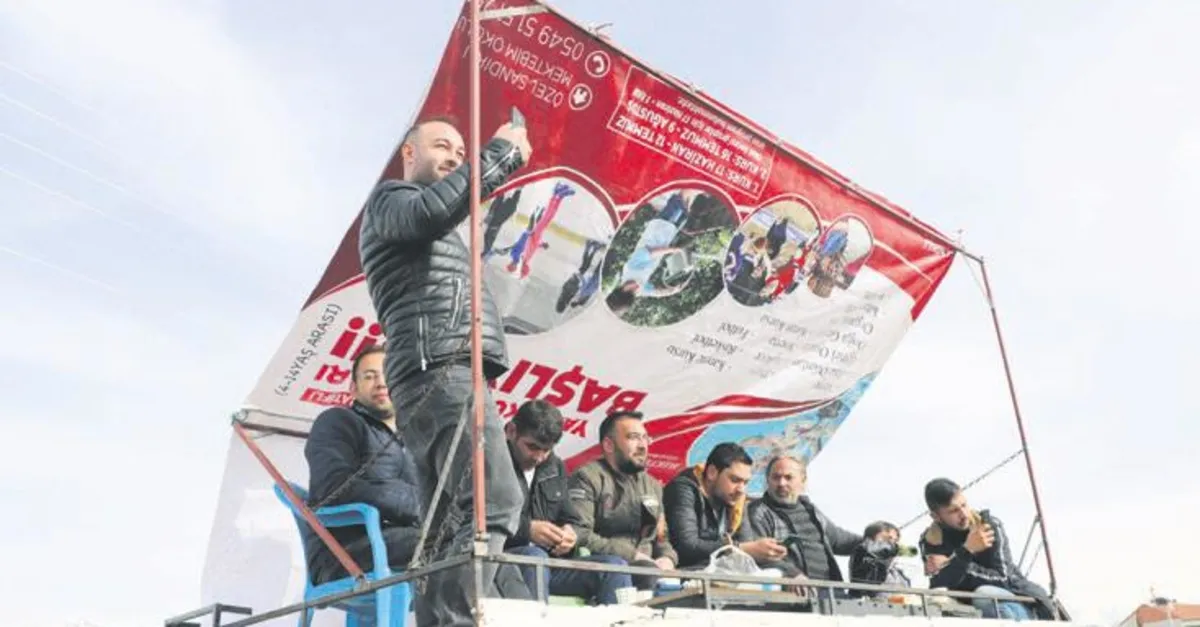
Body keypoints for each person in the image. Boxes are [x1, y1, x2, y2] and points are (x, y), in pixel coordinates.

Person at [358, 114, 533, 626]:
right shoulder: (392, 200)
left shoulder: (420, 220)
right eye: (442, 146)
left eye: (462, 151)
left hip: (434, 371)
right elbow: (432, 211)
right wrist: (500, 154)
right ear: (409, 153)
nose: (456, 157)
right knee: (494, 499)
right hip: (440, 368)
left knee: (446, 524)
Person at [303, 345, 422, 585]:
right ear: (353, 389)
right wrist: (415, 502)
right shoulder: (337, 421)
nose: (381, 383)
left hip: (402, 541)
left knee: (485, 544)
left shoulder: (412, 439)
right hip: (344, 553)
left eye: (388, 375)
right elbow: (332, 488)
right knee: (448, 544)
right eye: (369, 376)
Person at [503, 399, 633, 604]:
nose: (539, 457)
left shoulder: (554, 467)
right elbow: (475, 518)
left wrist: (570, 534)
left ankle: (621, 620)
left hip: (550, 562)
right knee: (534, 558)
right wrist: (526, 529)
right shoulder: (490, 462)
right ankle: (536, 619)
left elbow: (573, 518)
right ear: (511, 431)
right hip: (502, 561)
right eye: (532, 447)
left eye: (546, 449)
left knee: (615, 568)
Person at [563, 411, 678, 590]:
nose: (643, 445)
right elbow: (580, 533)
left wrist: (667, 558)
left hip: (651, 569)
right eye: (633, 438)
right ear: (609, 445)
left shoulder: (653, 486)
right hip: (607, 567)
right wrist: (632, 555)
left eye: (645, 438)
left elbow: (662, 538)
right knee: (647, 573)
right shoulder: (587, 477)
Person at [919, 478, 1057, 620]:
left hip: (1016, 598)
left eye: (964, 505)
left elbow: (1003, 578)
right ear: (936, 516)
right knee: (932, 601)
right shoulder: (931, 539)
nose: (964, 514)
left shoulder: (989, 526)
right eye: (953, 511)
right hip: (966, 609)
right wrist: (965, 552)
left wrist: (957, 559)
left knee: (984, 594)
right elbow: (940, 584)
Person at [747, 455, 862, 596]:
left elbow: (839, 539)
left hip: (831, 593)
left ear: (803, 481)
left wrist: (875, 539)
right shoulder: (758, 513)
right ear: (767, 480)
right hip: (793, 597)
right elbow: (757, 555)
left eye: (788, 477)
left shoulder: (810, 510)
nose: (781, 483)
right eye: (776, 477)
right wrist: (791, 573)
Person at [663, 442, 782, 569]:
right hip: (686, 574)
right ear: (712, 473)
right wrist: (738, 548)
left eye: (745, 482)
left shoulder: (736, 499)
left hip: (720, 572)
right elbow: (686, 547)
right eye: (735, 480)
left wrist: (766, 553)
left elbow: (746, 545)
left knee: (779, 571)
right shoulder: (683, 489)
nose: (741, 489)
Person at [605, 191, 707, 315]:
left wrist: (676, 250)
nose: (636, 289)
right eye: (634, 293)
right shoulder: (638, 290)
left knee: (681, 199)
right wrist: (675, 290)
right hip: (668, 233)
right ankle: (696, 189)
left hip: (660, 226)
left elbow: (652, 252)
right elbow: (657, 292)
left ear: (621, 288)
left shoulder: (631, 268)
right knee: (685, 209)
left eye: (631, 290)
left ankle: (695, 186)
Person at [513, 181, 576, 278]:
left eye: (525, 271)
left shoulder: (525, 258)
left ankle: (557, 194)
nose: (527, 270)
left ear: (524, 269)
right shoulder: (526, 259)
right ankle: (559, 195)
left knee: (548, 214)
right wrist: (541, 245)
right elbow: (533, 246)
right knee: (549, 215)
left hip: (536, 233)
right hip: (537, 234)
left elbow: (530, 242)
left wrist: (536, 238)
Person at [848, 521, 913, 598]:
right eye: (886, 539)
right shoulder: (863, 554)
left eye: (895, 541)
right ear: (869, 539)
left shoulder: (898, 573)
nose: (892, 544)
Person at [555, 238, 607, 314]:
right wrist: (573, 277)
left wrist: (579, 280)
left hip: (579, 279)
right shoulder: (562, 295)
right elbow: (566, 285)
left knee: (586, 264)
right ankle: (590, 247)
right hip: (576, 277)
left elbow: (574, 289)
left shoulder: (567, 298)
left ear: (563, 306)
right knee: (585, 264)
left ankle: (593, 247)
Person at [481, 187, 523, 260]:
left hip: (494, 224)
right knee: (488, 239)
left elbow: (498, 201)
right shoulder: (511, 207)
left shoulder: (508, 205)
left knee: (488, 238)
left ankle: (483, 253)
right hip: (495, 224)